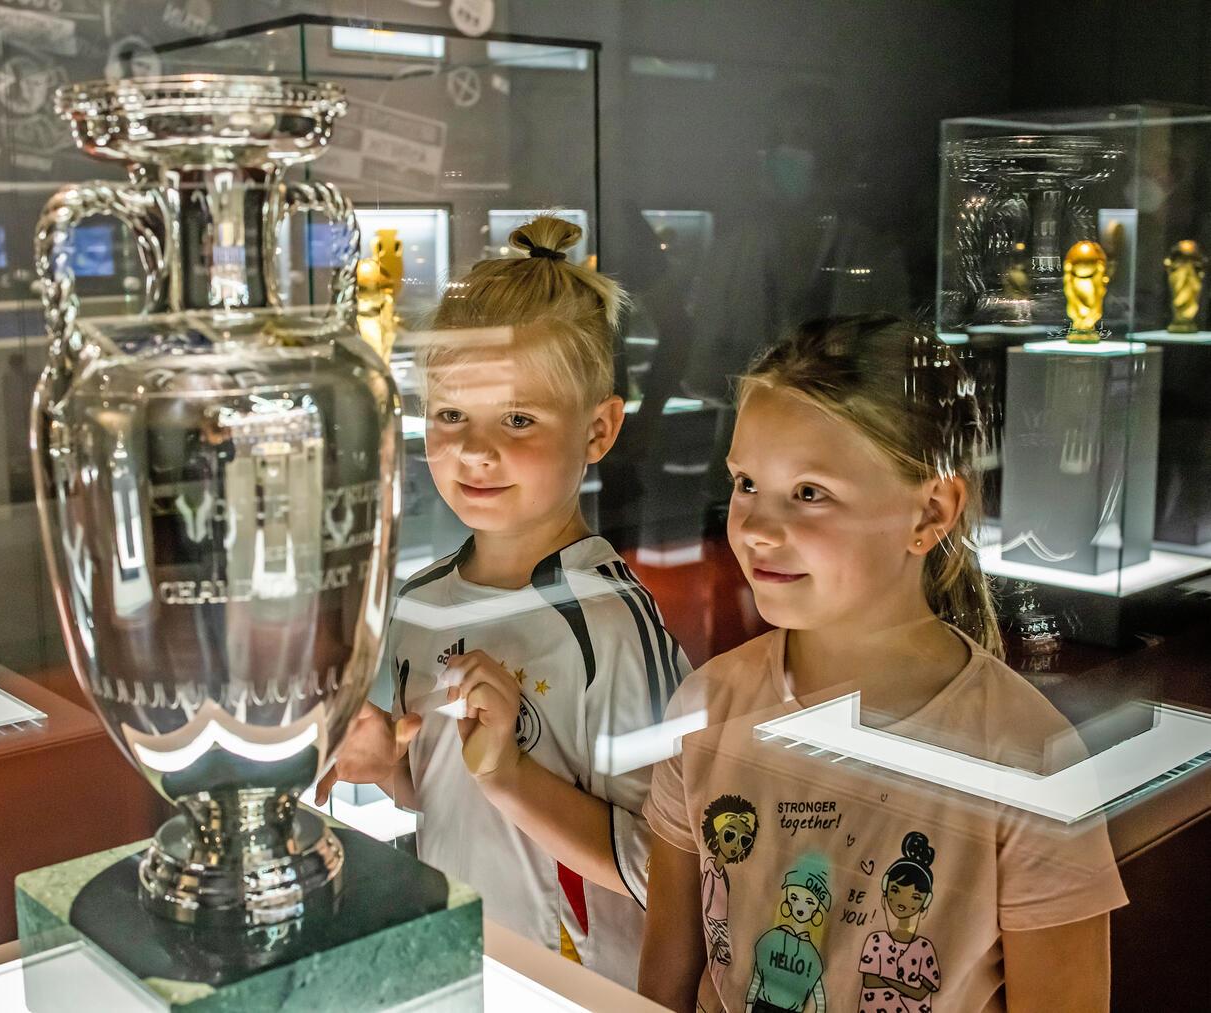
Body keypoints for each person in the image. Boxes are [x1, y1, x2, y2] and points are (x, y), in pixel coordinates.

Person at [638, 314, 1127, 1012]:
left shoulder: (1032, 759)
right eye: (746, 482)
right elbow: (665, 984)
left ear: (930, 512)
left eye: (810, 492)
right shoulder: (704, 707)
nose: (755, 527)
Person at [316, 215, 691, 987]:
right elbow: (443, 801)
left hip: (578, 989)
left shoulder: (613, 624)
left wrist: (510, 775)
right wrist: (390, 767)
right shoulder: (421, 606)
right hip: (460, 970)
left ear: (599, 429)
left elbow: (671, 870)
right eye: (452, 413)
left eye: (517, 418)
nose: (476, 450)